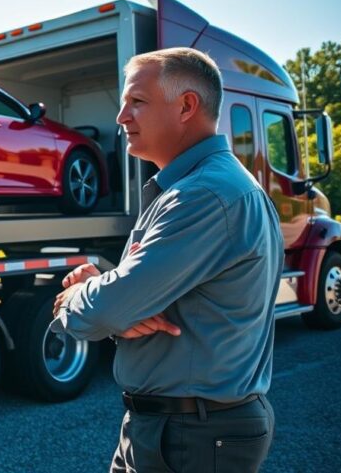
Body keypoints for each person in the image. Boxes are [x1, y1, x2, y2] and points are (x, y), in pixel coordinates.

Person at [49, 47, 281, 473]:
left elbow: (104, 311)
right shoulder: (200, 187)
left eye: (136, 102)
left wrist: (85, 296)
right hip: (174, 426)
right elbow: (125, 302)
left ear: (187, 106)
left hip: (193, 436)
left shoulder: (203, 196)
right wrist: (116, 292)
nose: (120, 117)